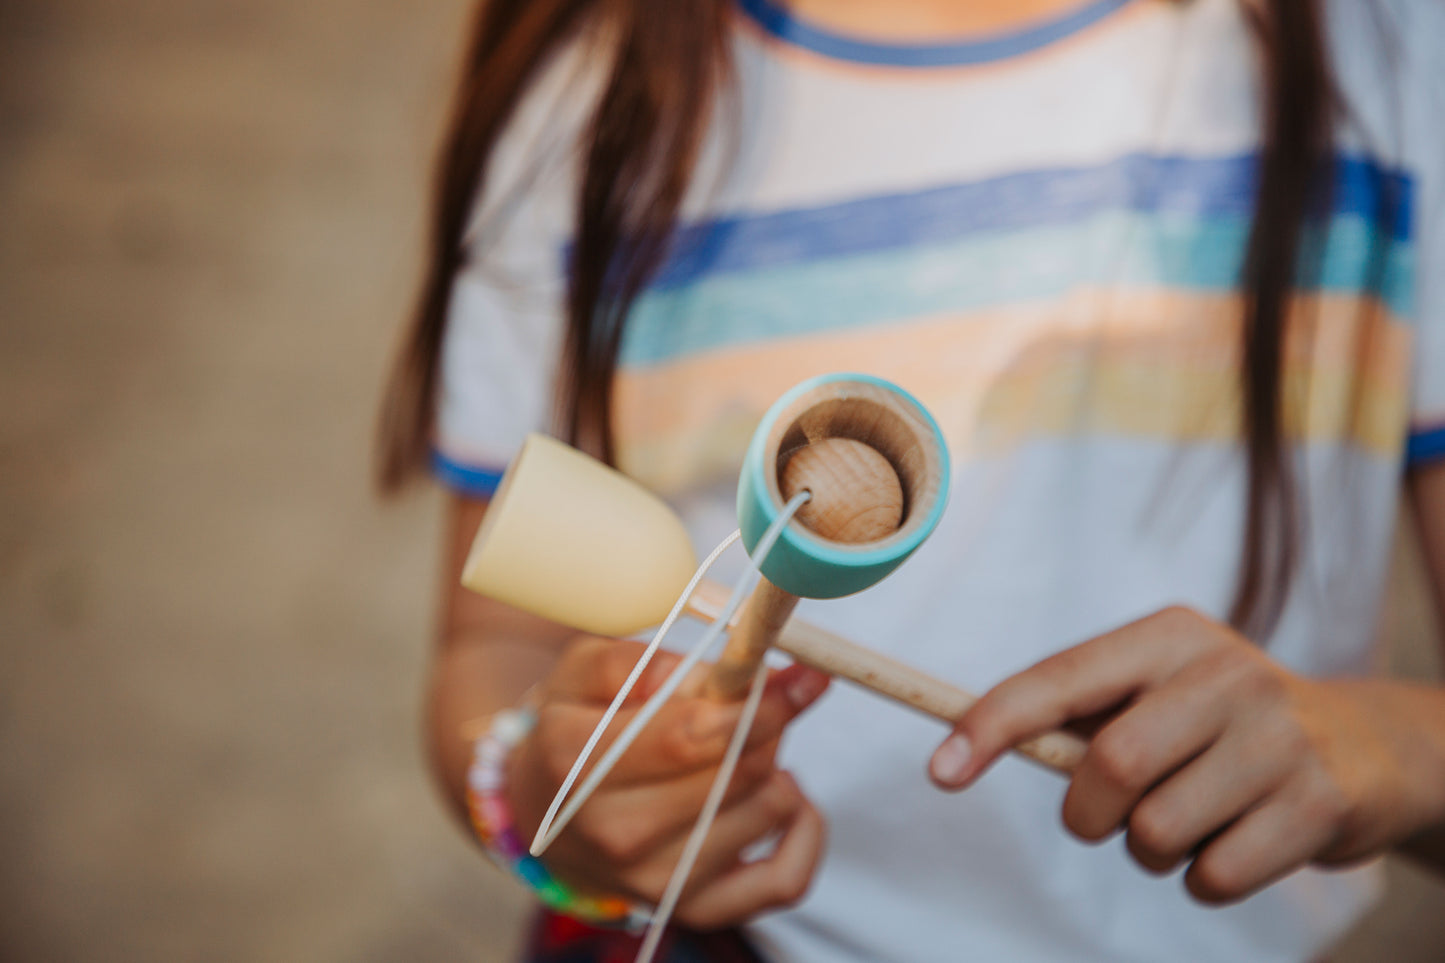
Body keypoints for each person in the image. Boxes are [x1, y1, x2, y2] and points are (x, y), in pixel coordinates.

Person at [377, 0, 1445, 960]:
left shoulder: (1392, 47)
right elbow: (494, 642)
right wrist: (535, 795)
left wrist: (1395, 748)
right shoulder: (590, 75)